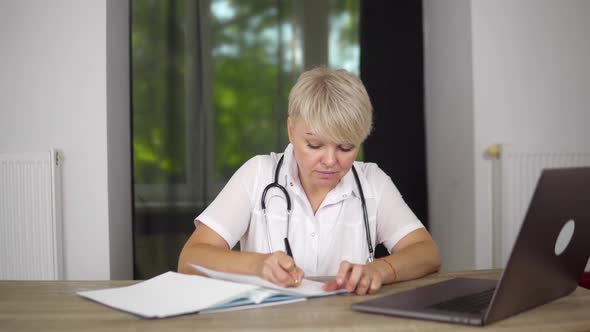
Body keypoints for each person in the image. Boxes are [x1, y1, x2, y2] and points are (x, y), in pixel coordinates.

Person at [178, 67, 441, 295]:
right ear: (291, 131)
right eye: (314, 145)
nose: (330, 160)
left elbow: (427, 253)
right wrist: (256, 265)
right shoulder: (257, 174)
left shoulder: (373, 182)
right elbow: (190, 259)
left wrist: (380, 270)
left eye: (346, 147)